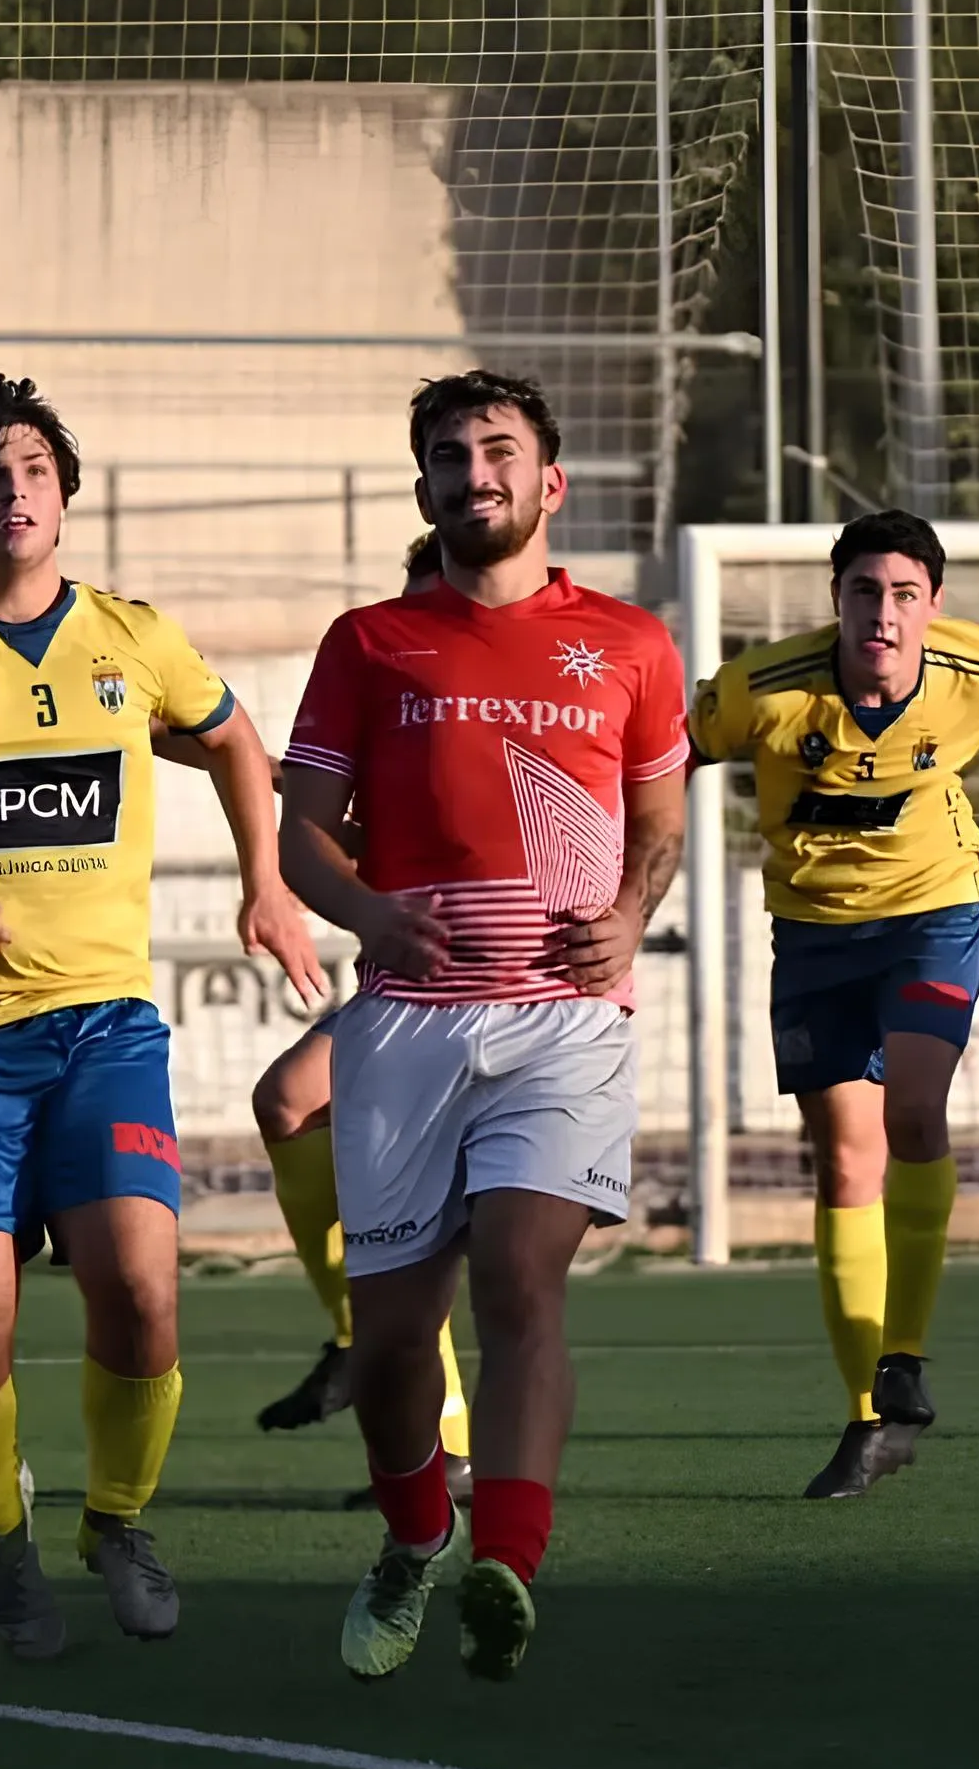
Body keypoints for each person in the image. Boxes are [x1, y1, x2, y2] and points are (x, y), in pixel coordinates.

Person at [0, 375, 324, 1659]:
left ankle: (119, 1518)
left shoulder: (134, 641)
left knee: (142, 1293)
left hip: (104, 1028)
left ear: (66, 496)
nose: (14, 489)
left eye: (35, 468)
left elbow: (241, 743)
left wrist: (268, 884)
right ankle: (6, 1552)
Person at [281, 372, 685, 1682]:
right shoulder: (368, 642)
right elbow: (300, 840)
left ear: (549, 483)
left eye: (500, 451)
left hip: (565, 1019)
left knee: (521, 1276)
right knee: (394, 1341)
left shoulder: (631, 644)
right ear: (426, 490)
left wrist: (630, 916)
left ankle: (507, 1565)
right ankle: (415, 1535)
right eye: (450, 456)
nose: (476, 473)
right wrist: (368, 913)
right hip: (405, 1027)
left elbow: (662, 822)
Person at [688, 511, 979, 1498]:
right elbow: (653, 759)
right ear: (836, 601)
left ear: (933, 606)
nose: (883, 616)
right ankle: (869, 1421)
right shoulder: (761, 691)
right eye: (864, 593)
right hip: (810, 936)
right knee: (845, 1163)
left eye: (904, 596)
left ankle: (905, 1357)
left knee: (914, 1111)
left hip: (932, 916)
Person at [255, 535, 472, 1484]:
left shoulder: (510, 706)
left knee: (431, 1222)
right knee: (289, 1102)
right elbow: (353, 831)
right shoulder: (387, 696)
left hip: (507, 999)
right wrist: (261, 773)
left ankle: (456, 1448)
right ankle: (357, 1342)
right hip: (402, 991)